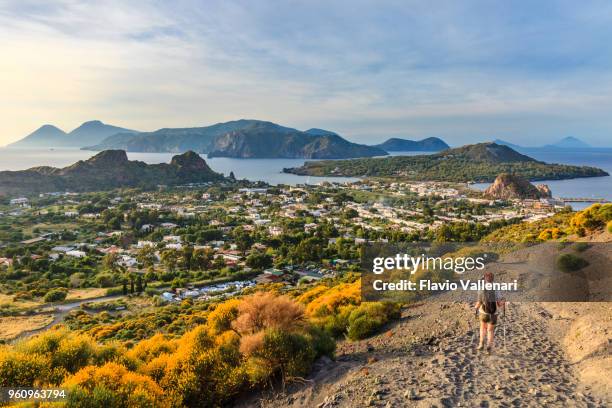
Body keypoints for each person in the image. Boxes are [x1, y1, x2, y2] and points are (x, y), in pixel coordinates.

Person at [474, 271, 505, 351]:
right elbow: (499, 304)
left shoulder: (481, 288)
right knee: (490, 330)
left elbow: (479, 302)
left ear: (485, 279)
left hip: (483, 312)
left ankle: (481, 344)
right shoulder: (496, 289)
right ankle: (489, 347)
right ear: (492, 279)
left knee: (482, 328)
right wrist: (503, 302)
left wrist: (476, 308)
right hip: (493, 313)